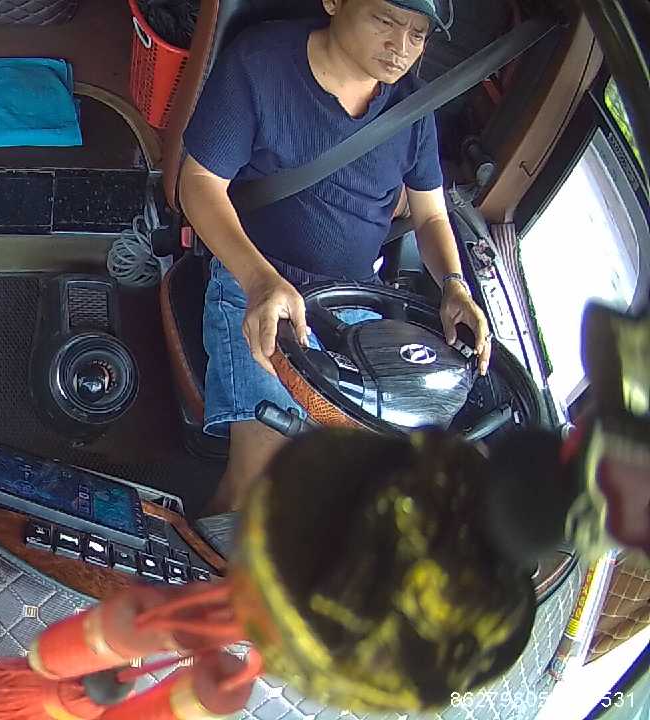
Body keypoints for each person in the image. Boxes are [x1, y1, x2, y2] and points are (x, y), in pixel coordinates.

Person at [179, 0, 492, 531]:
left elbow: (432, 214)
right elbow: (198, 183)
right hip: (256, 281)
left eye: (417, 34)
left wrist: (454, 284)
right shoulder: (259, 66)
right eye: (385, 21)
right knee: (256, 490)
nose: (400, 48)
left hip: (355, 301)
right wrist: (259, 280)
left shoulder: (412, 106)